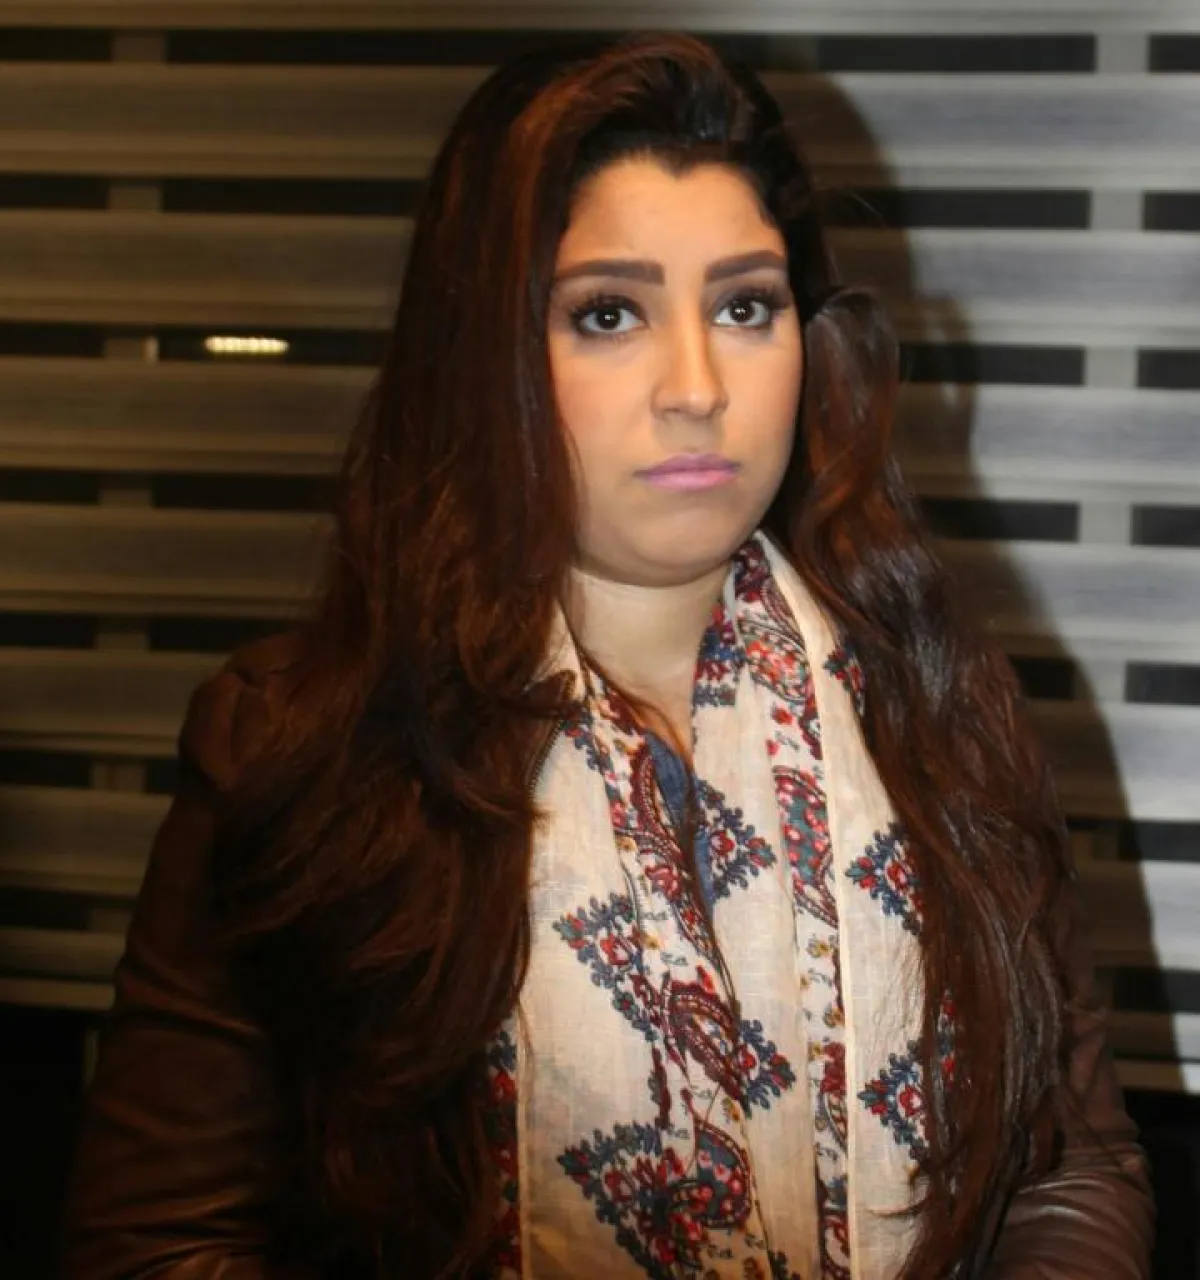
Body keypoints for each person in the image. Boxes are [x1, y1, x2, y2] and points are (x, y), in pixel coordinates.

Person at [60, 31, 1153, 1280]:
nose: (697, 385)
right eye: (608, 314)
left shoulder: (937, 704)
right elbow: (157, 1242)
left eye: (745, 306)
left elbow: (1072, 1165)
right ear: (486, 354)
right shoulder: (307, 739)